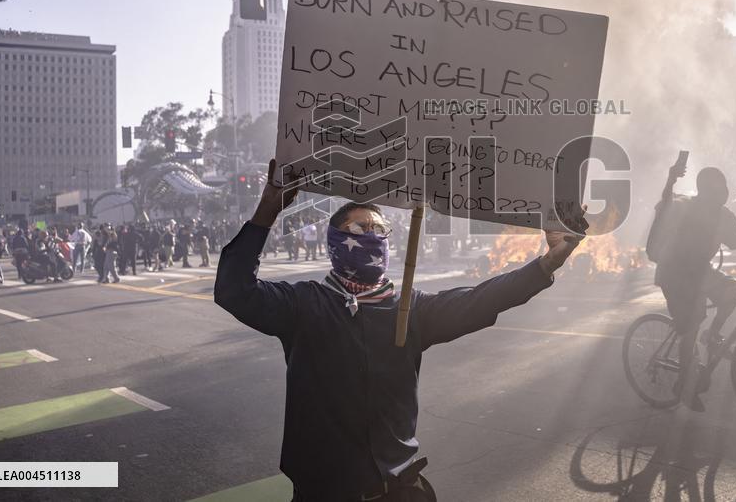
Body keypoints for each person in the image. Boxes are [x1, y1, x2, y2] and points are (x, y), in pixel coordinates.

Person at [214, 160, 588, 500]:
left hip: (398, 488)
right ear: (334, 242)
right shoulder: (302, 305)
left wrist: (546, 264)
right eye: (360, 227)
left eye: (380, 229)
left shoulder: (410, 310)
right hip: (322, 490)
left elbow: (480, 300)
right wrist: (267, 210)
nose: (373, 235)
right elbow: (234, 290)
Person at [648, 161, 736, 412]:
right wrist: (671, 179)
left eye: (723, 187)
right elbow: (666, 203)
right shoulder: (686, 207)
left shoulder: (724, 216)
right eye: (715, 189)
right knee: (691, 326)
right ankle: (683, 385)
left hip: (700, 272)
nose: (722, 193)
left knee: (733, 290)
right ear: (702, 191)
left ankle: (712, 335)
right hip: (675, 274)